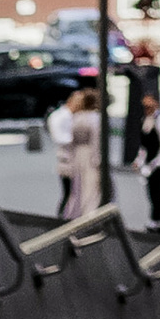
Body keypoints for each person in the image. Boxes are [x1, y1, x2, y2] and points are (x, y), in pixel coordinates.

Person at [121, 39, 160, 227]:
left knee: (157, 192)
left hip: (159, 163)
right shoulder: (144, 121)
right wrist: (139, 161)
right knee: (151, 193)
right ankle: (155, 220)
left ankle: (159, 221)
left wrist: (155, 164)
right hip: (148, 162)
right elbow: (143, 144)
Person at [53, 78, 103, 222]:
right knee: (91, 189)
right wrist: (98, 160)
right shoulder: (95, 118)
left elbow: (72, 140)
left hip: (77, 156)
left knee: (77, 189)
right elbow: (96, 141)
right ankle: (90, 216)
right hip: (89, 157)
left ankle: (72, 215)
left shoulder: (76, 117)